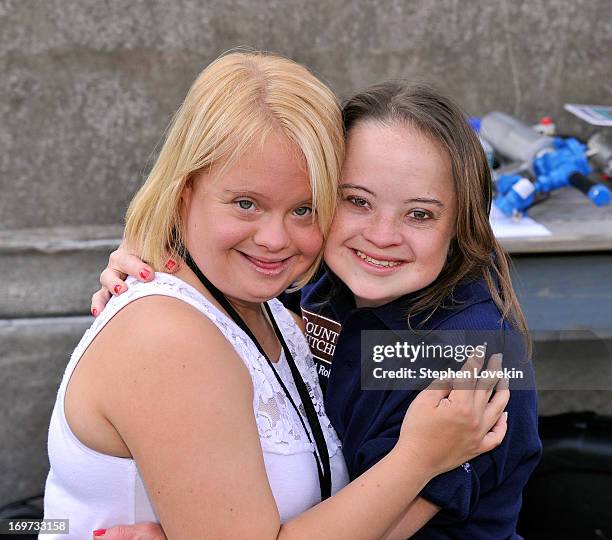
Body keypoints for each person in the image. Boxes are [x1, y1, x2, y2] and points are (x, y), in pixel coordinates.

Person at [41, 52, 509, 540]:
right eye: (246, 204)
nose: (274, 239)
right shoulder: (169, 339)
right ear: (184, 195)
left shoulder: (282, 312)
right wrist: (419, 458)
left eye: (304, 209)